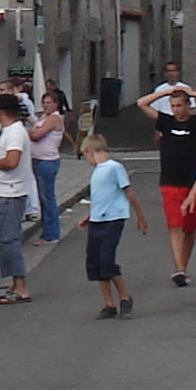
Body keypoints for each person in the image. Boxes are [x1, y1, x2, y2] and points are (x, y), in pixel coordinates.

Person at [140, 81, 196, 285]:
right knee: (175, 226)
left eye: (180, 105)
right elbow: (142, 103)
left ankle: (184, 265)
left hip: (193, 183)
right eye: (173, 106)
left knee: (189, 228)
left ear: (188, 105)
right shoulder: (165, 121)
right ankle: (179, 269)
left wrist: (194, 92)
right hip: (170, 182)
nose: (177, 110)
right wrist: (166, 92)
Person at [79, 133, 144, 318]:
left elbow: (128, 192)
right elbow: (102, 198)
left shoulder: (114, 168)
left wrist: (140, 216)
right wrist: (90, 215)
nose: (86, 160)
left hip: (113, 219)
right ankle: (109, 303)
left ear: (91, 152)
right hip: (97, 220)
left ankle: (124, 296)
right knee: (96, 263)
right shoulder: (97, 171)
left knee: (107, 260)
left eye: (85, 155)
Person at [0, 86, 35, 304]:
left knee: (9, 239)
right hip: (4, 191)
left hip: (9, 193)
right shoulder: (13, 130)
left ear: (2, 111)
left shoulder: (14, 133)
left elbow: (11, 162)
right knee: (6, 239)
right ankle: (14, 283)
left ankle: (20, 286)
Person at [30, 84, 71, 243]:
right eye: (44, 102)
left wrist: (25, 131)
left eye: (49, 102)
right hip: (38, 159)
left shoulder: (54, 118)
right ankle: (48, 230)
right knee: (44, 197)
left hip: (47, 161)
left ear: (56, 104)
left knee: (48, 198)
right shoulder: (43, 118)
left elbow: (37, 135)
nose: (46, 105)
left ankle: (51, 234)